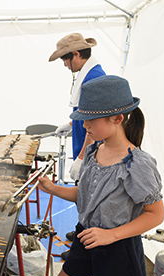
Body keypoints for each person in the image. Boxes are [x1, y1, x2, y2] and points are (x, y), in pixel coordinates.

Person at [36, 75, 164, 276]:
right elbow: (85, 195)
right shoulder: (95, 151)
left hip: (118, 246)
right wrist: (53, 188)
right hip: (88, 235)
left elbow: (156, 214)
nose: (84, 125)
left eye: (90, 120)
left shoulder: (137, 164)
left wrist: (112, 235)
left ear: (117, 119)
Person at [49, 32, 106, 181]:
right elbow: (87, 113)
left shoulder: (94, 78)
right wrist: (71, 124)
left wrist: (81, 159)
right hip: (86, 151)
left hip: (91, 156)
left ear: (76, 54)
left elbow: (96, 123)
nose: (65, 64)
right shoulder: (88, 74)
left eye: (65, 59)